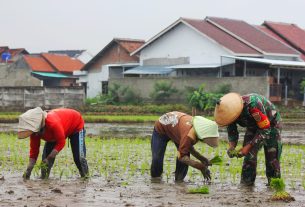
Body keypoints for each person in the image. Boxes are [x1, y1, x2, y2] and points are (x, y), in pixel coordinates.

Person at [214, 93, 282, 185]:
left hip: (271, 124)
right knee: (249, 157)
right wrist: (231, 147)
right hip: (252, 126)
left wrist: (248, 146)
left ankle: (275, 184)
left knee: (271, 156)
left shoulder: (253, 105)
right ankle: (246, 184)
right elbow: (232, 131)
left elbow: (265, 129)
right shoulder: (229, 113)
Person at [18, 107, 89, 179]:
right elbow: (34, 151)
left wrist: (49, 158)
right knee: (44, 162)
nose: (35, 135)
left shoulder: (53, 123)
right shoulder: (34, 132)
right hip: (57, 131)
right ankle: (44, 179)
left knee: (79, 157)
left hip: (75, 125)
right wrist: (29, 169)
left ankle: (85, 177)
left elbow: (61, 142)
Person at [151, 111, 219, 181]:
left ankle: (179, 180)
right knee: (157, 158)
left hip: (177, 131)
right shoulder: (189, 135)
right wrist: (201, 167)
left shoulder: (196, 131)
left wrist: (203, 159)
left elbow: (188, 147)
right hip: (161, 129)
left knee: (185, 152)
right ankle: (156, 179)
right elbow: (182, 157)